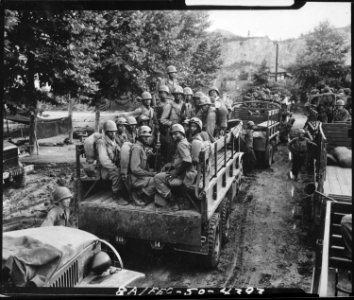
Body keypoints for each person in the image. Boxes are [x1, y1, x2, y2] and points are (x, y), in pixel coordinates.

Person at [154, 124, 192, 210]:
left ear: (182, 133)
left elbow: (187, 161)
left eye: (176, 134)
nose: (174, 136)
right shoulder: (184, 142)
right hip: (186, 173)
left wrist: (175, 173)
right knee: (163, 170)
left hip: (183, 176)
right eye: (173, 134)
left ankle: (172, 202)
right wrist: (171, 165)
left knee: (157, 178)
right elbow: (181, 159)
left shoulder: (180, 145)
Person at [96, 120, 128, 205]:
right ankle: (116, 195)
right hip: (104, 169)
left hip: (113, 165)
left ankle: (126, 192)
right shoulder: (101, 142)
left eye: (114, 132)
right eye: (111, 132)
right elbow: (104, 160)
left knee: (125, 171)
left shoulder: (113, 141)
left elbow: (120, 152)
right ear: (106, 132)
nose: (113, 134)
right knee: (117, 173)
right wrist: (115, 168)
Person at [130, 126, 157, 207]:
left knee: (159, 177)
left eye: (148, 137)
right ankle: (137, 194)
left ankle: (144, 194)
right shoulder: (137, 148)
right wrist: (150, 174)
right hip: (136, 179)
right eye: (144, 137)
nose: (147, 139)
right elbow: (135, 169)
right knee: (158, 180)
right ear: (140, 137)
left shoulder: (142, 147)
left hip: (141, 176)